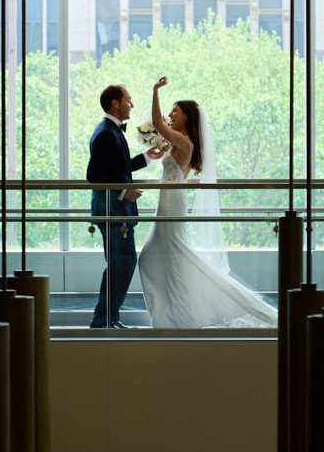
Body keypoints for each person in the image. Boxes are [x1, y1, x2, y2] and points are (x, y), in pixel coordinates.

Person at [138, 76, 278, 328]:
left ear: (187, 118)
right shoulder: (179, 142)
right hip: (171, 200)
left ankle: (178, 317)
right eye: (171, 110)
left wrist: (155, 90)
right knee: (161, 256)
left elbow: (157, 123)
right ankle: (171, 315)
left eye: (175, 111)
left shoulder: (182, 141)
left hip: (171, 202)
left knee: (165, 256)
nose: (170, 114)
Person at [87, 84, 162, 328]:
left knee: (123, 262)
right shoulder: (107, 133)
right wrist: (123, 190)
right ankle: (103, 320)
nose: (132, 104)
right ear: (115, 103)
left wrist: (147, 157)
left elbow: (117, 168)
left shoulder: (111, 131)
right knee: (122, 262)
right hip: (111, 210)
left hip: (115, 210)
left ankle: (107, 318)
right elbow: (95, 176)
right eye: (128, 100)